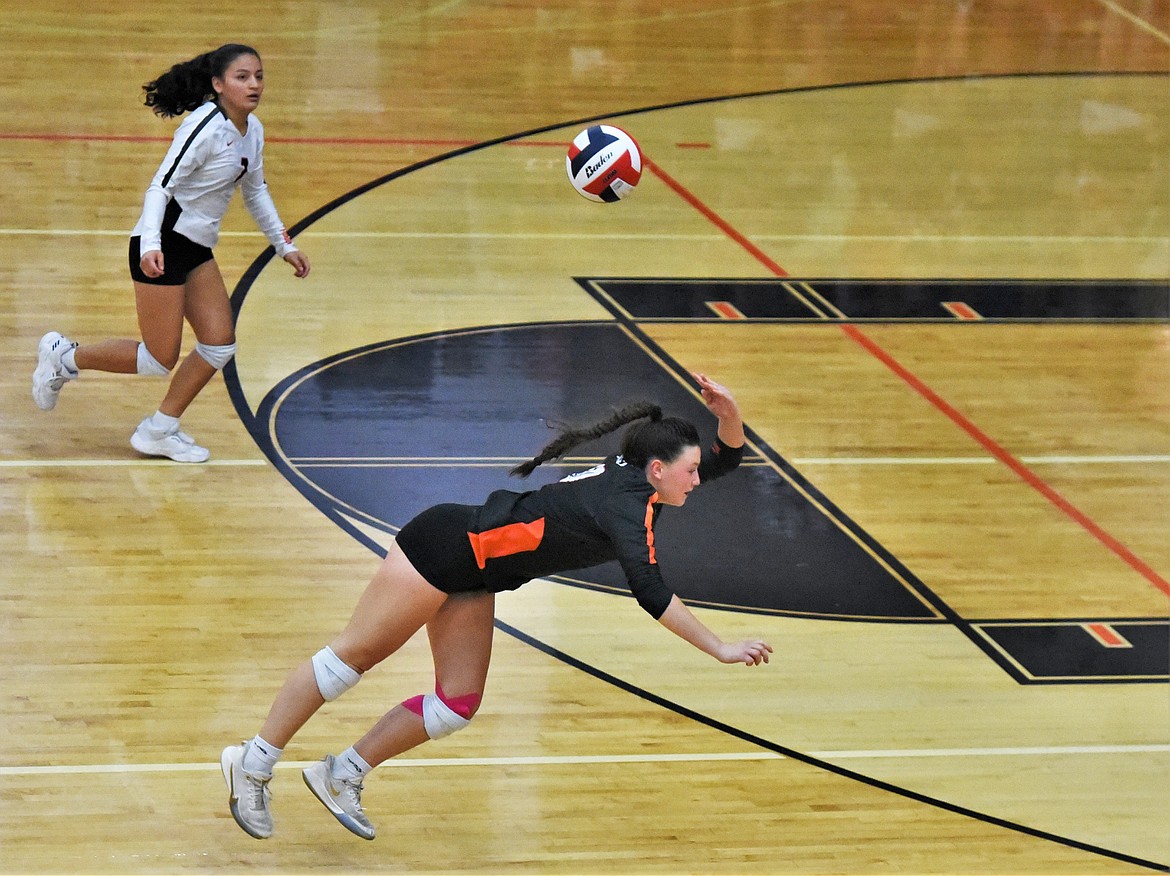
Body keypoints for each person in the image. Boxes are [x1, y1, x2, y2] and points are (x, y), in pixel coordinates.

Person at [220, 372, 773, 841]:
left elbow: (727, 457)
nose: (698, 480)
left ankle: (342, 772)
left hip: (473, 574)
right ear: (658, 469)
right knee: (352, 660)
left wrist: (730, 412)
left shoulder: (641, 479)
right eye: (690, 472)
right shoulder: (626, 506)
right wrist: (720, 648)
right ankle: (253, 761)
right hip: (442, 547)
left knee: (455, 704)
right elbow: (651, 593)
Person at [31, 43, 310, 463]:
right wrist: (150, 244)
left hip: (196, 248)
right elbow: (159, 187)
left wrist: (283, 244)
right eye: (242, 77)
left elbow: (255, 190)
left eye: (258, 76)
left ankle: (159, 430)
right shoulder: (204, 127)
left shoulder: (252, 130)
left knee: (218, 345)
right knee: (158, 358)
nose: (253, 84)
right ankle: (64, 358)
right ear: (218, 85)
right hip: (161, 244)